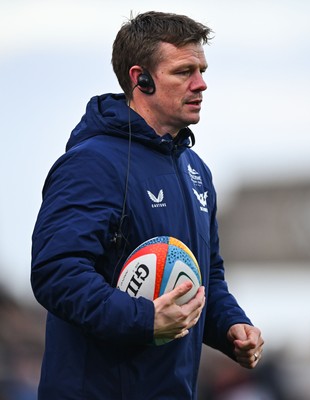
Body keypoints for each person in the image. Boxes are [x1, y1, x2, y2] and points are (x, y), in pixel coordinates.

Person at [31, 11, 264, 400]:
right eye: (184, 71)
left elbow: (207, 278)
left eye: (202, 69)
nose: (201, 84)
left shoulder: (196, 171)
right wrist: (144, 319)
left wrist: (231, 326)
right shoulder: (92, 164)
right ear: (141, 78)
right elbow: (57, 272)